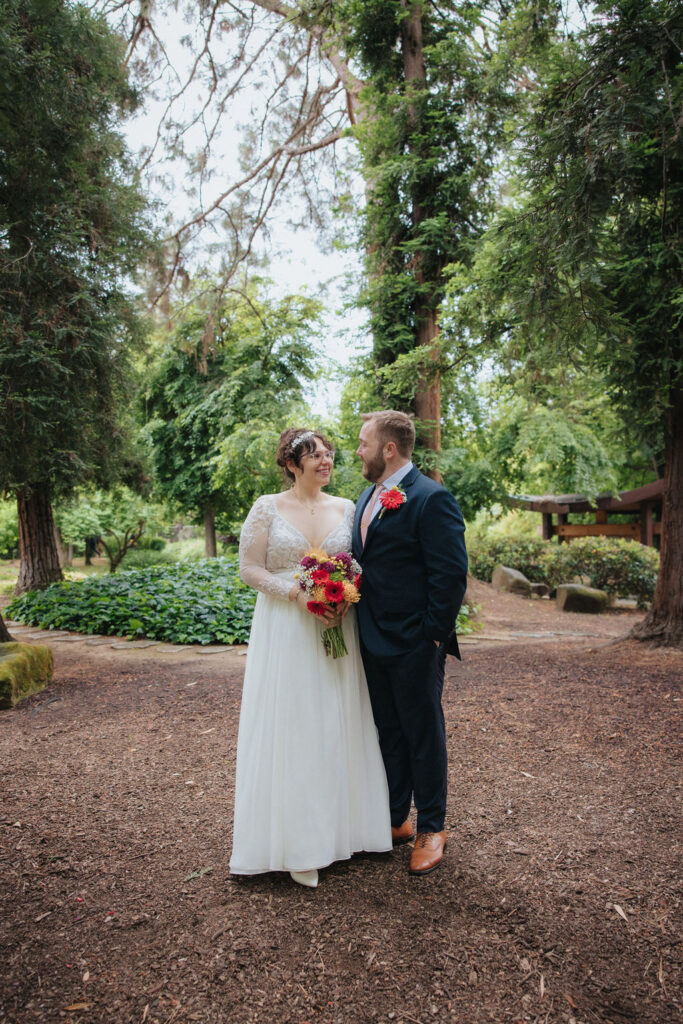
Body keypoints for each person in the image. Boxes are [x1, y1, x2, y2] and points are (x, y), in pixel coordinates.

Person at [230, 428, 392, 888]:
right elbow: (249, 567)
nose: (325, 460)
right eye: (314, 454)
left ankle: (346, 830)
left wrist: (344, 592)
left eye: (328, 453)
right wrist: (297, 595)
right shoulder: (267, 507)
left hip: (337, 624)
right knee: (295, 724)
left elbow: (358, 562)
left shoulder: (347, 508)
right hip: (287, 628)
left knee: (338, 721)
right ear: (291, 463)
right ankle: (296, 844)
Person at [352, 410, 468, 876]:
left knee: (423, 735)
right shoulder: (367, 497)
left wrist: (432, 637)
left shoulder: (430, 498)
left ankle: (432, 827)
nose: (357, 451)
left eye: (363, 443)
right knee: (388, 731)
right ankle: (397, 817)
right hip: (371, 637)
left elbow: (450, 574)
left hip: (416, 643)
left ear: (388, 449)